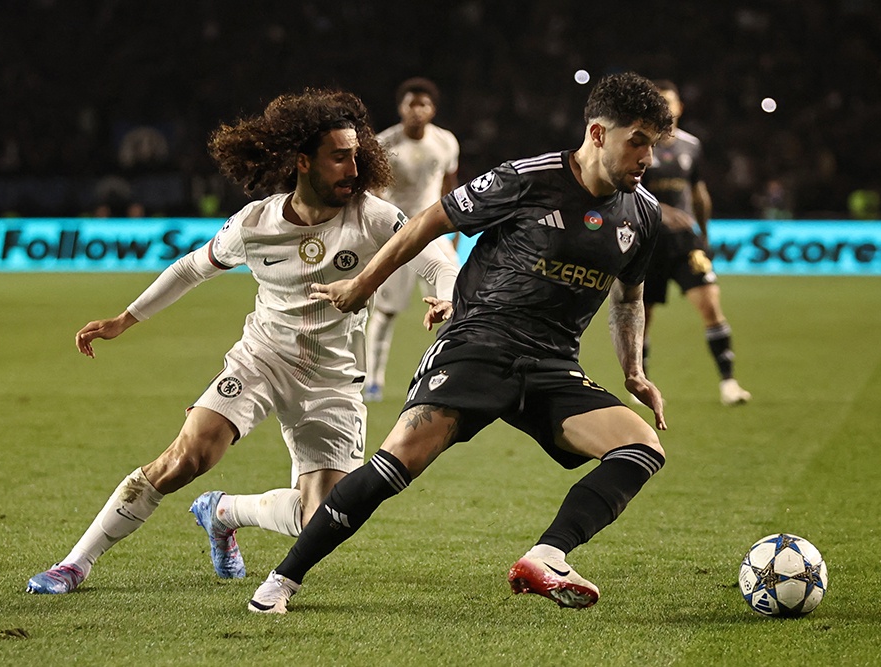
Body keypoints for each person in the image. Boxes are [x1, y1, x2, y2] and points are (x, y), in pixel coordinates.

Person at [244, 72, 674, 615]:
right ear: (597, 133)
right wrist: (364, 284)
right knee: (396, 465)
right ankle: (280, 582)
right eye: (637, 141)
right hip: (479, 345)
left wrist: (634, 372)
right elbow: (428, 221)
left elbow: (629, 298)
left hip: (551, 366)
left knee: (641, 447)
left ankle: (547, 555)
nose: (647, 157)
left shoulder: (643, 214)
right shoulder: (526, 179)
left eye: (653, 145)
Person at [25, 88, 459, 594]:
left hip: (333, 379)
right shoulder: (256, 222)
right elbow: (191, 268)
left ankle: (224, 512)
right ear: (302, 161)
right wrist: (126, 318)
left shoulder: (374, 217)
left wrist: (445, 295)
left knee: (318, 518)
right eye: (339, 157)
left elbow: (436, 258)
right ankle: (75, 563)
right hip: (263, 358)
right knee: (187, 457)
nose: (354, 168)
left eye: (357, 155)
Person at [640, 80, 751, 406]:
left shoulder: (691, 145)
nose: (666, 107)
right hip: (647, 244)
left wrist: (704, 236)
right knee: (641, 318)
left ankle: (729, 382)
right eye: (659, 101)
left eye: (670, 101)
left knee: (711, 305)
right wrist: (660, 210)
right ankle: (640, 382)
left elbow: (699, 193)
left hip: (686, 243)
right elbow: (624, 193)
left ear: (679, 107)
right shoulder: (638, 144)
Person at [364, 77, 461, 401]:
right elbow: (372, 192)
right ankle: (373, 380)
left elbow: (449, 186)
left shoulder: (445, 142)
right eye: (411, 104)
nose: (417, 110)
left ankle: (445, 374)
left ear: (432, 109)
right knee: (386, 311)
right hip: (396, 234)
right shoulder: (384, 143)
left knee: (453, 304)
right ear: (401, 108)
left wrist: (454, 230)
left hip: (434, 232)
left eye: (424, 104)